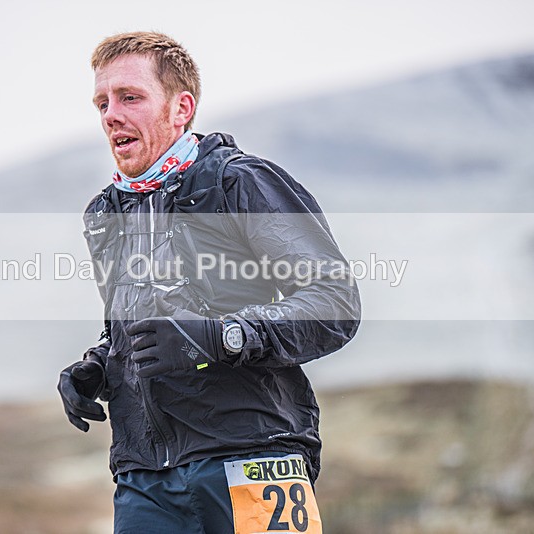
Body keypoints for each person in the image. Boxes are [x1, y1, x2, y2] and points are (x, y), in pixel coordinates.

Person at [57, 31, 361, 534]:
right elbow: (144, 326)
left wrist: (222, 336)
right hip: (144, 477)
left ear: (182, 108)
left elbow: (334, 301)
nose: (111, 115)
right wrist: (102, 365)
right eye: (102, 103)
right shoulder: (107, 213)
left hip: (253, 457)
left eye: (130, 97)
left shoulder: (239, 182)